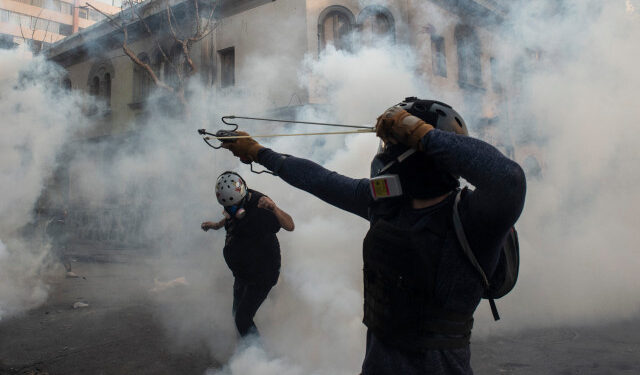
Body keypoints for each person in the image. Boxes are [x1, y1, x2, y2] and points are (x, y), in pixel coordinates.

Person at [220, 98, 526, 374]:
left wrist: (423, 134)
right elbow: (322, 181)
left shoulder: (474, 220)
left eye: (392, 144)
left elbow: (509, 179)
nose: (384, 152)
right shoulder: (386, 203)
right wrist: (259, 153)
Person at [201, 171, 295, 338]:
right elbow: (231, 218)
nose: (231, 210)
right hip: (243, 272)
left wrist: (274, 208)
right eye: (227, 207)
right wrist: (215, 225)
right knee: (236, 312)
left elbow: (290, 225)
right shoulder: (235, 202)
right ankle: (246, 349)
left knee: (242, 319)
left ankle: (258, 358)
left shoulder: (262, 206)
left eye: (234, 206)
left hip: (262, 274)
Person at [45, 208, 78, 278]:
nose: (66, 213)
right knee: (63, 256)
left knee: (51, 256)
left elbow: (48, 231)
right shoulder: (60, 220)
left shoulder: (52, 220)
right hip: (57, 242)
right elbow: (61, 232)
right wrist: (62, 243)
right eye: (65, 212)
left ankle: (40, 269)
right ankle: (69, 272)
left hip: (53, 241)